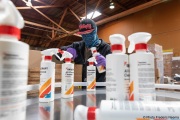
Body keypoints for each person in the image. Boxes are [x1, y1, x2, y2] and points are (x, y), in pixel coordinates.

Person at [58, 19, 111, 88]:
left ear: (95, 31)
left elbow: (117, 71)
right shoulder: (77, 46)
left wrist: (108, 65)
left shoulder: (107, 49)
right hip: (81, 88)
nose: (86, 37)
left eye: (89, 34)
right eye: (83, 35)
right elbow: (59, 51)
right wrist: (65, 52)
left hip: (99, 89)